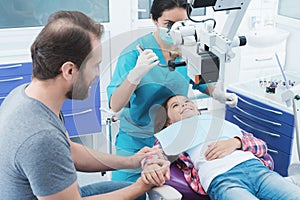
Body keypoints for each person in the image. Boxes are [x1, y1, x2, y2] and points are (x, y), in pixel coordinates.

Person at [0, 10, 170, 200]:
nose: (97, 75)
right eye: (94, 66)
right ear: (69, 70)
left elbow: (70, 151)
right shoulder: (42, 138)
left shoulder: (27, 96)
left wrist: (131, 161)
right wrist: (141, 185)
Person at [107, 0, 238, 182]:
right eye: (168, 24)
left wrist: (219, 94)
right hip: (136, 140)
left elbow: (201, 80)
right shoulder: (133, 53)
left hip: (175, 138)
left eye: (182, 24)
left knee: (172, 188)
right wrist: (135, 75)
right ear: (154, 19)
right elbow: (115, 104)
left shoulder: (191, 46)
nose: (175, 30)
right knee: (125, 191)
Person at [142, 94, 300, 200]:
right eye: (175, 106)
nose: (184, 105)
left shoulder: (217, 123)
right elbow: (152, 157)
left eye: (187, 102)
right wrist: (150, 167)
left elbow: (261, 146)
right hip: (223, 180)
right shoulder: (171, 135)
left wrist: (235, 142)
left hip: (257, 171)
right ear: (168, 121)